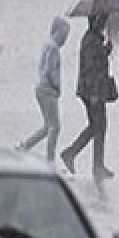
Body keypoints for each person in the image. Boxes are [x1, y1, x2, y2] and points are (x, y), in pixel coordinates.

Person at [61, 13, 116, 180]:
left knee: (99, 126)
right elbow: (91, 68)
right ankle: (71, 153)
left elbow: (97, 61)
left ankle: (97, 165)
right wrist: (93, 92)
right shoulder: (92, 41)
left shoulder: (94, 39)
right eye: (103, 21)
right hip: (92, 90)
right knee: (96, 126)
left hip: (95, 89)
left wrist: (106, 50)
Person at [17, 15, 70, 163]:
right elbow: (50, 70)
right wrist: (57, 86)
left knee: (48, 125)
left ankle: (26, 146)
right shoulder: (53, 49)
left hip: (41, 88)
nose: (65, 39)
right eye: (65, 34)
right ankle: (50, 160)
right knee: (55, 126)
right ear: (58, 32)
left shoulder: (47, 44)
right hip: (48, 90)